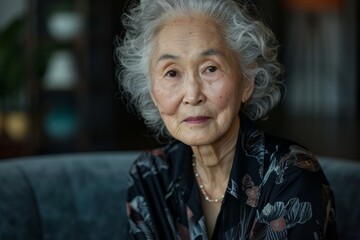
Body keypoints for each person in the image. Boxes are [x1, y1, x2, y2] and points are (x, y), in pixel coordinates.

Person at [116, 0, 338, 239]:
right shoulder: (151, 177)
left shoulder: (291, 176)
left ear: (247, 81)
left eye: (210, 69)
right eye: (172, 73)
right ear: (152, 93)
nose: (192, 95)